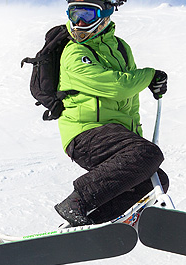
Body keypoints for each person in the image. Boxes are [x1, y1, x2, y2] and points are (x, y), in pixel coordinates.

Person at [53, 0, 169, 227]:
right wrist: (149, 76)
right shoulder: (74, 52)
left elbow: (129, 101)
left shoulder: (122, 49)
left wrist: (135, 140)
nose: (79, 23)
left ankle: (95, 224)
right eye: (74, 14)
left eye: (87, 15)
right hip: (85, 135)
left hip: (114, 134)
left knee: (154, 181)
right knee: (148, 155)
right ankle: (77, 202)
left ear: (105, 15)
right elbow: (117, 87)